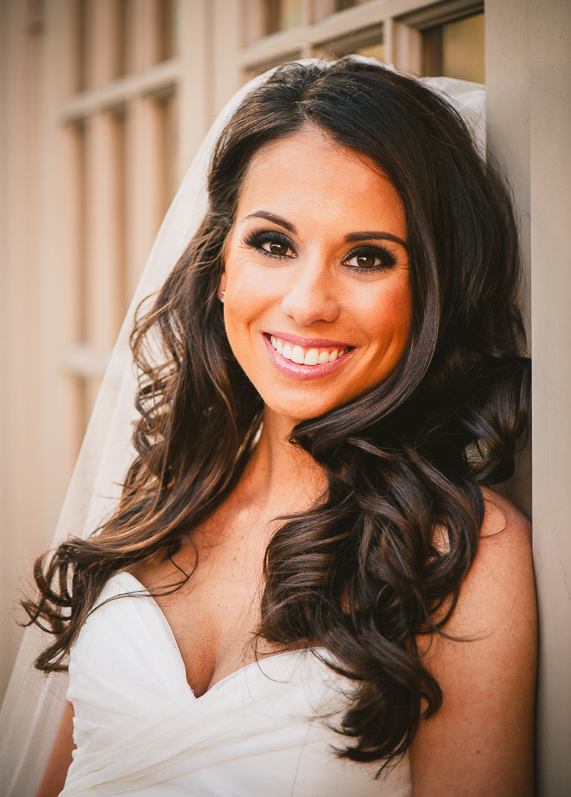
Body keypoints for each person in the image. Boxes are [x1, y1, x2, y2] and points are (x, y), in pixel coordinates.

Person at [3, 57, 535, 796]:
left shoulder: (461, 556)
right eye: (273, 244)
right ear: (221, 263)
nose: (307, 301)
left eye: (367, 257)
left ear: (431, 292)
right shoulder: (160, 500)